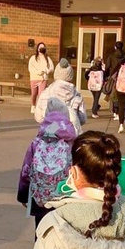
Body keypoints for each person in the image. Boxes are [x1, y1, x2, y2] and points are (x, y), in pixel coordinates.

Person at [17, 98, 76, 232]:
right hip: (64, 196)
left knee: (42, 232)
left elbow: (26, 170)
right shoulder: (72, 141)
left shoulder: (37, 142)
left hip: (40, 198)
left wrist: (23, 194)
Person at [34, 58, 86, 131]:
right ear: (70, 76)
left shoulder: (45, 94)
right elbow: (82, 118)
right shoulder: (77, 96)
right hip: (70, 135)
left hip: (50, 134)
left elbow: (38, 117)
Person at [28, 42, 54, 113]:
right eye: (40, 48)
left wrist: (47, 71)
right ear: (38, 49)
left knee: (41, 94)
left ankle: (39, 108)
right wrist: (38, 72)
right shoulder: (33, 58)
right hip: (34, 78)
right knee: (34, 94)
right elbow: (30, 68)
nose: (41, 49)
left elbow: (52, 67)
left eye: (43, 48)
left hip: (43, 79)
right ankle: (33, 105)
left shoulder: (47, 58)